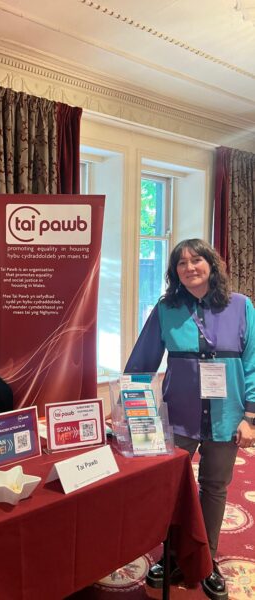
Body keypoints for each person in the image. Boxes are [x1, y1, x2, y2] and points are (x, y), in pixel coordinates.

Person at [125, 239, 255, 600]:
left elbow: (252, 364)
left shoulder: (241, 306)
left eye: (196, 260)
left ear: (211, 265)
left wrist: (251, 417)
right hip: (177, 417)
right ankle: (170, 555)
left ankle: (205, 559)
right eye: (181, 263)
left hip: (227, 418)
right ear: (174, 272)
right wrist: (133, 410)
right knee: (169, 488)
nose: (189, 267)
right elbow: (142, 362)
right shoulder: (167, 308)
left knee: (214, 487)